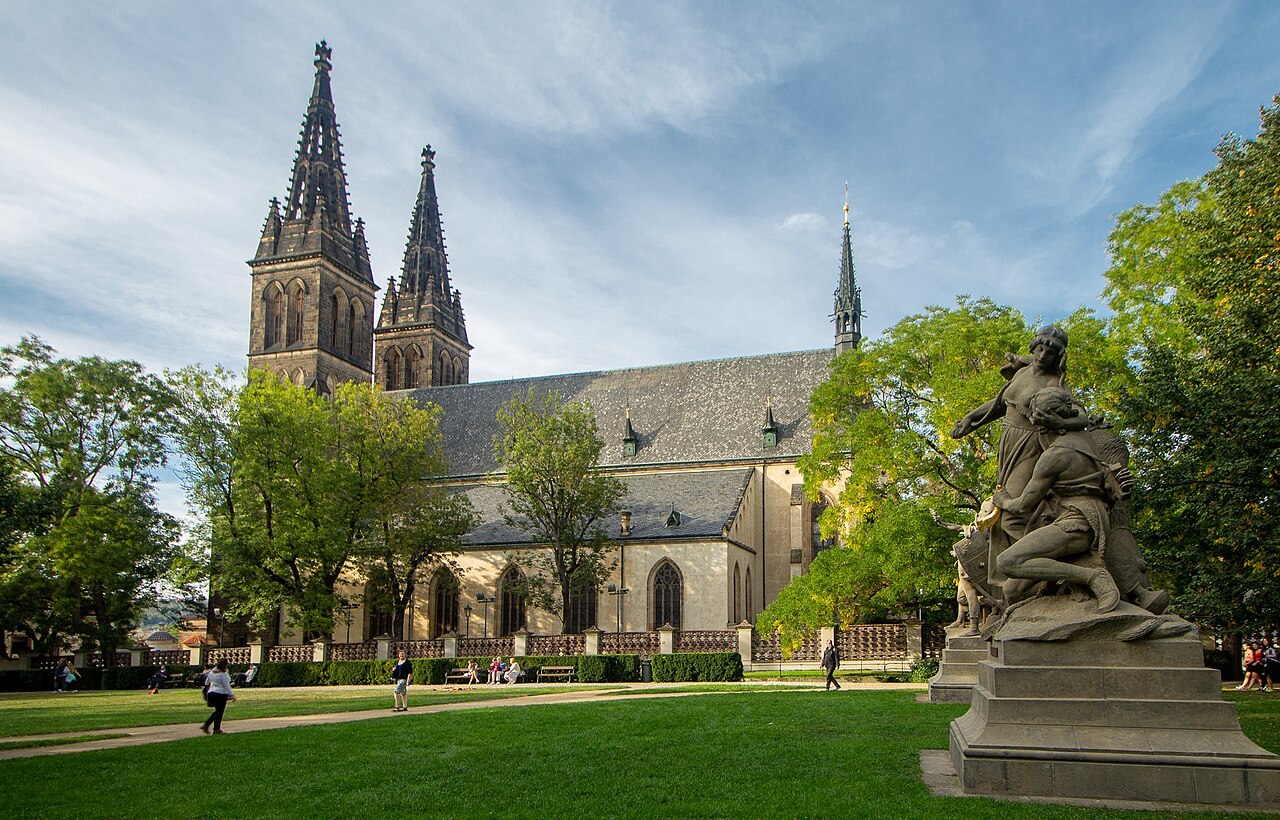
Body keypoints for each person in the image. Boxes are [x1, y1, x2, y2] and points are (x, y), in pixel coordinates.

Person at [952, 326, 1086, 585]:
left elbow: (1081, 417)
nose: (1044, 354)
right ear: (1034, 347)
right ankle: (1018, 580)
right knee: (1001, 517)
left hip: (1030, 446)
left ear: (1058, 356)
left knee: (1011, 512)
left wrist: (1058, 421)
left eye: (1051, 351)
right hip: (1007, 443)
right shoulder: (1023, 373)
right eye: (1041, 347)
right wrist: (971, 419)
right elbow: (1000, 403)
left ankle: (1042, 572)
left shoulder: (1055, 383)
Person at [992, 387, 1122, 613]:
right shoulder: (1084, 438)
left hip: (1078, 523)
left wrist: (1002, 501)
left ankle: (1092, 577)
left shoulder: (1054, 456)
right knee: (1012, 590)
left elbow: (1024, 504)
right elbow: (1079, 416)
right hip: (1093, 516)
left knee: (1007, 562)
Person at [200, 658, 236, 735]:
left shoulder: (212, 672)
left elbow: (207, 683)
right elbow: (227, 686)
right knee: (219, 712)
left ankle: (207, 725)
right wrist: (232, 695)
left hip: (211, 693)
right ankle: (216, 729)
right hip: (221, 694)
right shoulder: (223, 674)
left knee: (217, 711)